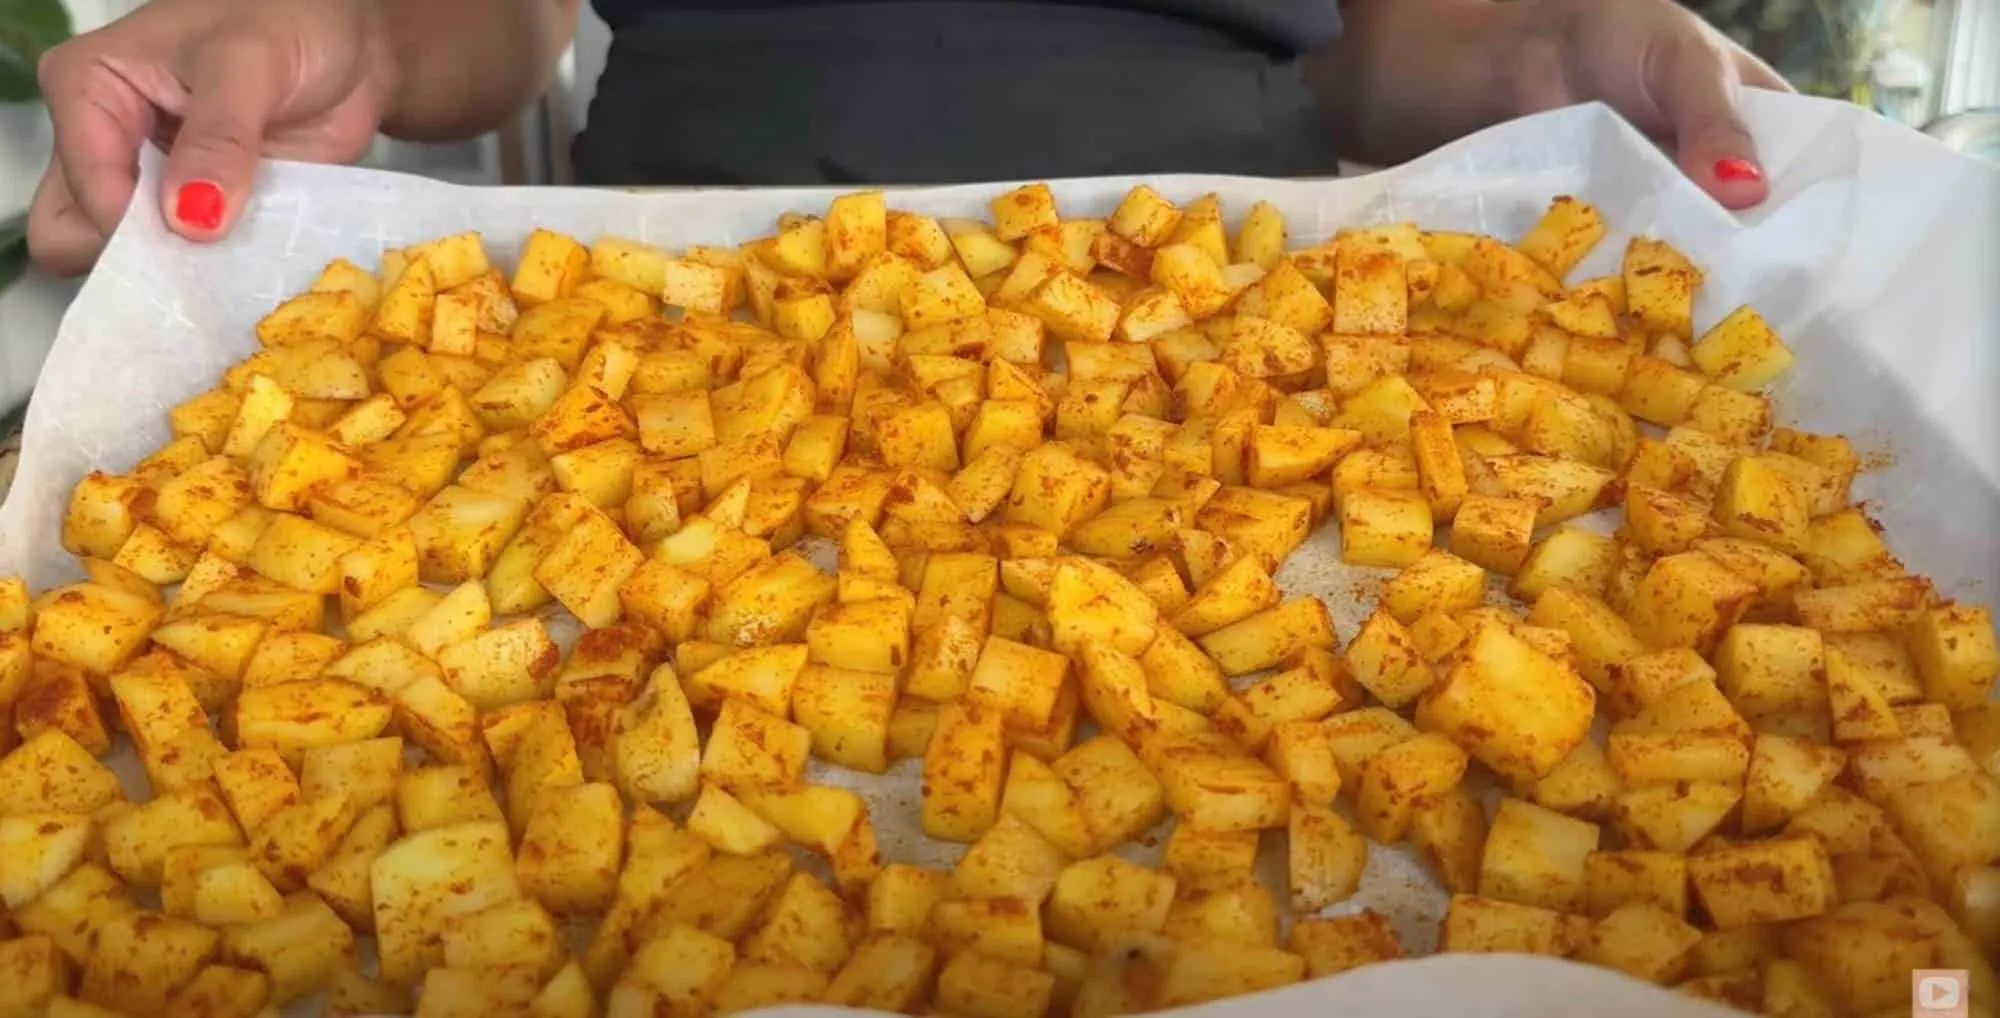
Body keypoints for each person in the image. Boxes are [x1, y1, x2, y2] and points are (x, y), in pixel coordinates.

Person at [25, 0, 1787, 276]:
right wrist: (358, 32)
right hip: (680, 275)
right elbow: (495, 24)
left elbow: (1406, 46)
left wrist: (1573, 42)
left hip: (1233, 299)